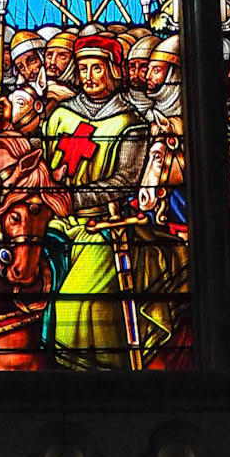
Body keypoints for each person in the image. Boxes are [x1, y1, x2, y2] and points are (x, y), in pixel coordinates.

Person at [39, 34, 176, 369]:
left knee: (76, 303)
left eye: (97, 69)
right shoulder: (59, 117)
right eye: (83, 68)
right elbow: (42, 162)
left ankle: (98, 379)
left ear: (114, 71)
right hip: (56, 221)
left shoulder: (130, 124)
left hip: (104, 226)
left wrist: (75, 198)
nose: (88, 76)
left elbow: (126, 180)